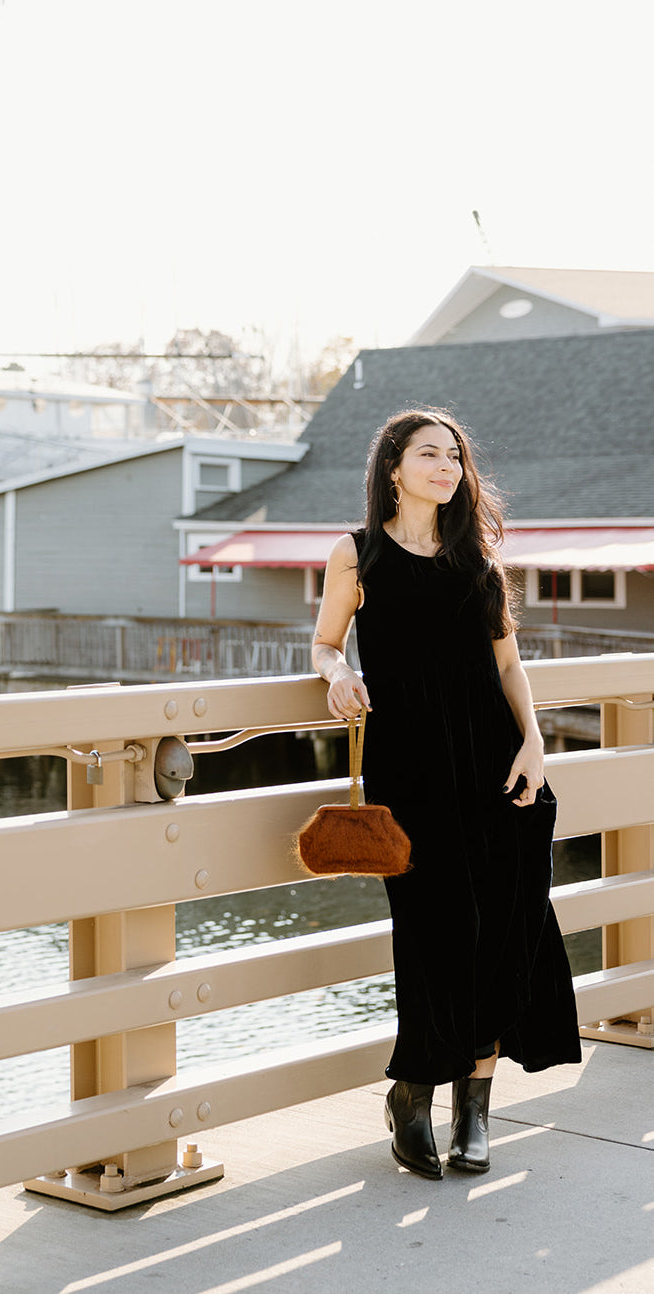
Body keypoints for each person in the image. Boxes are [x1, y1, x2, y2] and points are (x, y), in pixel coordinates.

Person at [311, 408, 581, 1181]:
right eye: (428, 455)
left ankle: (474, 1109)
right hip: (411, 774)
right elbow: (325, 640)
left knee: (503, 933)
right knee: (433, 936)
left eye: (454, 458)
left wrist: (533, 741)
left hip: (500, 769)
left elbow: (508, 667)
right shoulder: (355, 553)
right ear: (392, 467)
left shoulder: (478, 559)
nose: (445, 468)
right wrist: (336, 674)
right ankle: (412, 1093)